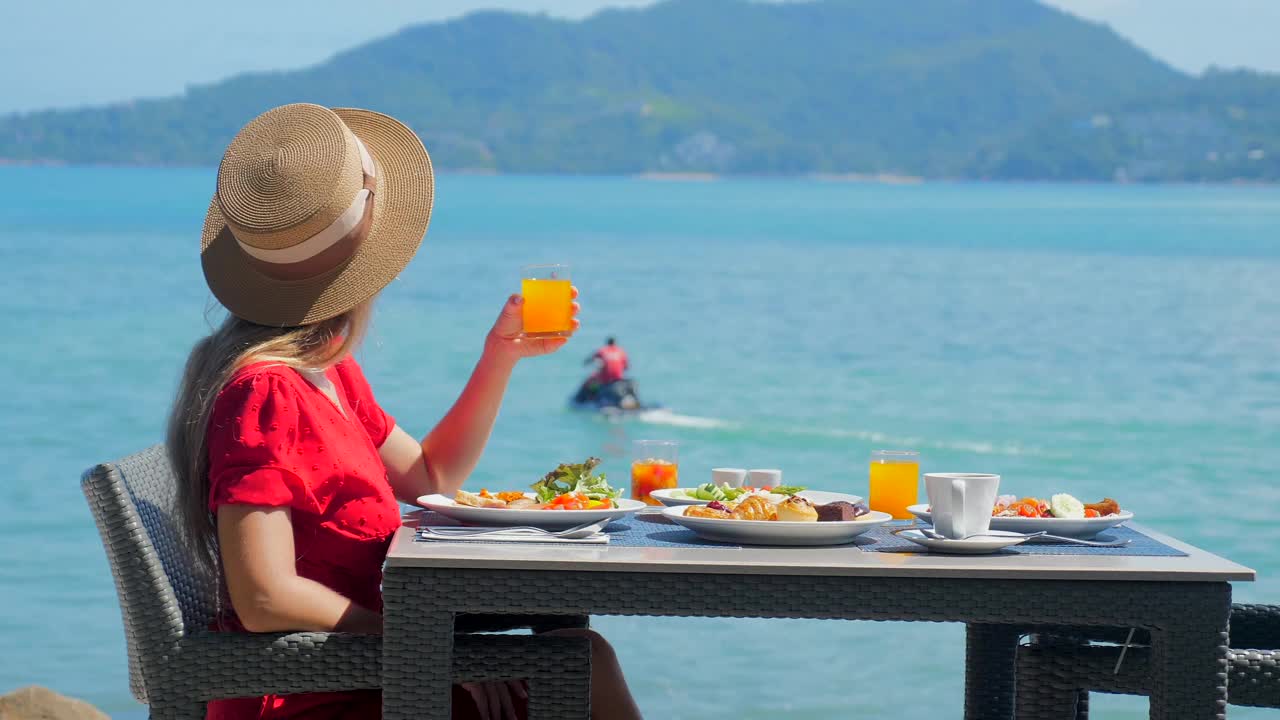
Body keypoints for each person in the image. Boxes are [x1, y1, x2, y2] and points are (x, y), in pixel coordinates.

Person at [166, 104, 642, 720]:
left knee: (578, 652)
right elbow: (264, 596)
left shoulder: (327, 371)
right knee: (582, 664)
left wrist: (499, 356)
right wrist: (433, 650)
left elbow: (431, 479)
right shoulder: (267, 393)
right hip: (319, 691)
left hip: (370, 665)